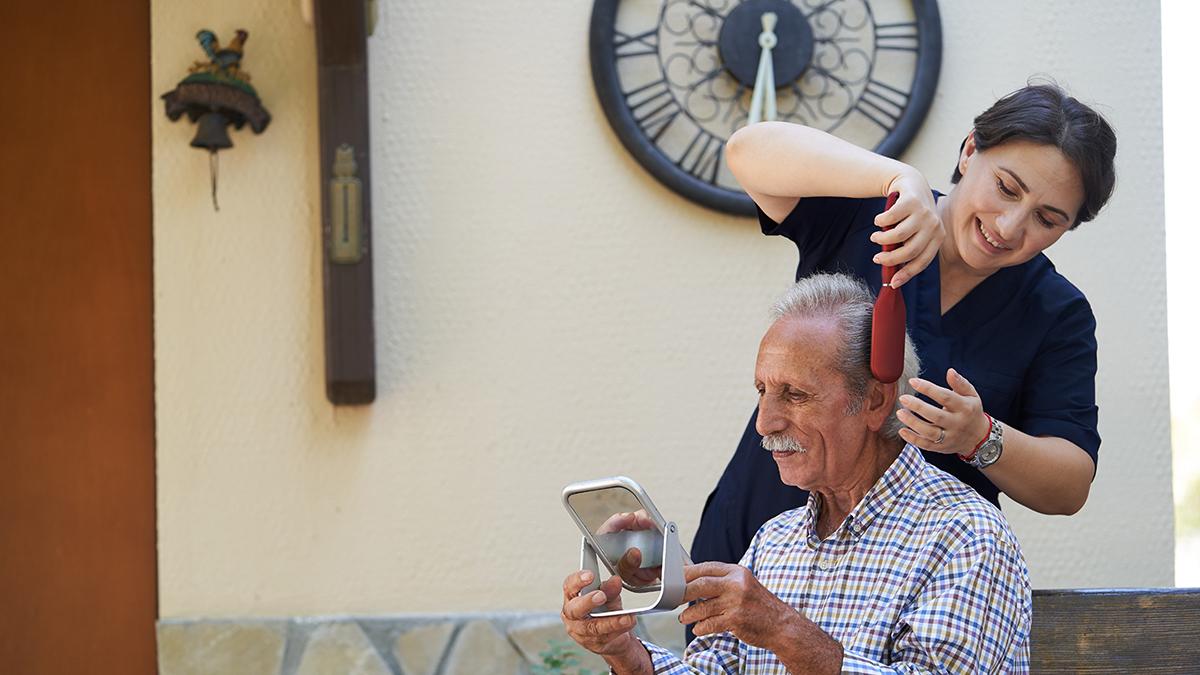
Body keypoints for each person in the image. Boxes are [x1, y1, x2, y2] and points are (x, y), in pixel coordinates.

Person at [690, 83, 1117, 572]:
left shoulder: (1055, 313)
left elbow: (1069, 484)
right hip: (757, 545)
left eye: (1047, 218)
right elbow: (748, 150)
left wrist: (979, 437)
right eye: (1005, 188)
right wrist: (898, 177)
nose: (1009, 227)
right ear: (970, 150)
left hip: (905, 595)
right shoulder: (872, 215)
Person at [560, 274, 1032, 673]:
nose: (765, 423)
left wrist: (784, 630)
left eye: (795, 395)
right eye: (763, 391)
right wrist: (626, 651)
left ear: (875, 400)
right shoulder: (775, 539)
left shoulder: (966, 534)